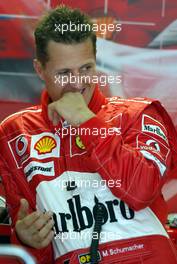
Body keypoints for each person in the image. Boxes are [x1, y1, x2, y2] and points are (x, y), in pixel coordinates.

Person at [0, 5, 177, 264]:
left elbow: (140, 191)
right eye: (64, 73)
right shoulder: (15, 134)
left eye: (86, 68)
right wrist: (27, 238)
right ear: (40, 70)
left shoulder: (139, 115)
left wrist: (85, 121)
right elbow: (36, 252)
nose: (77, 83)